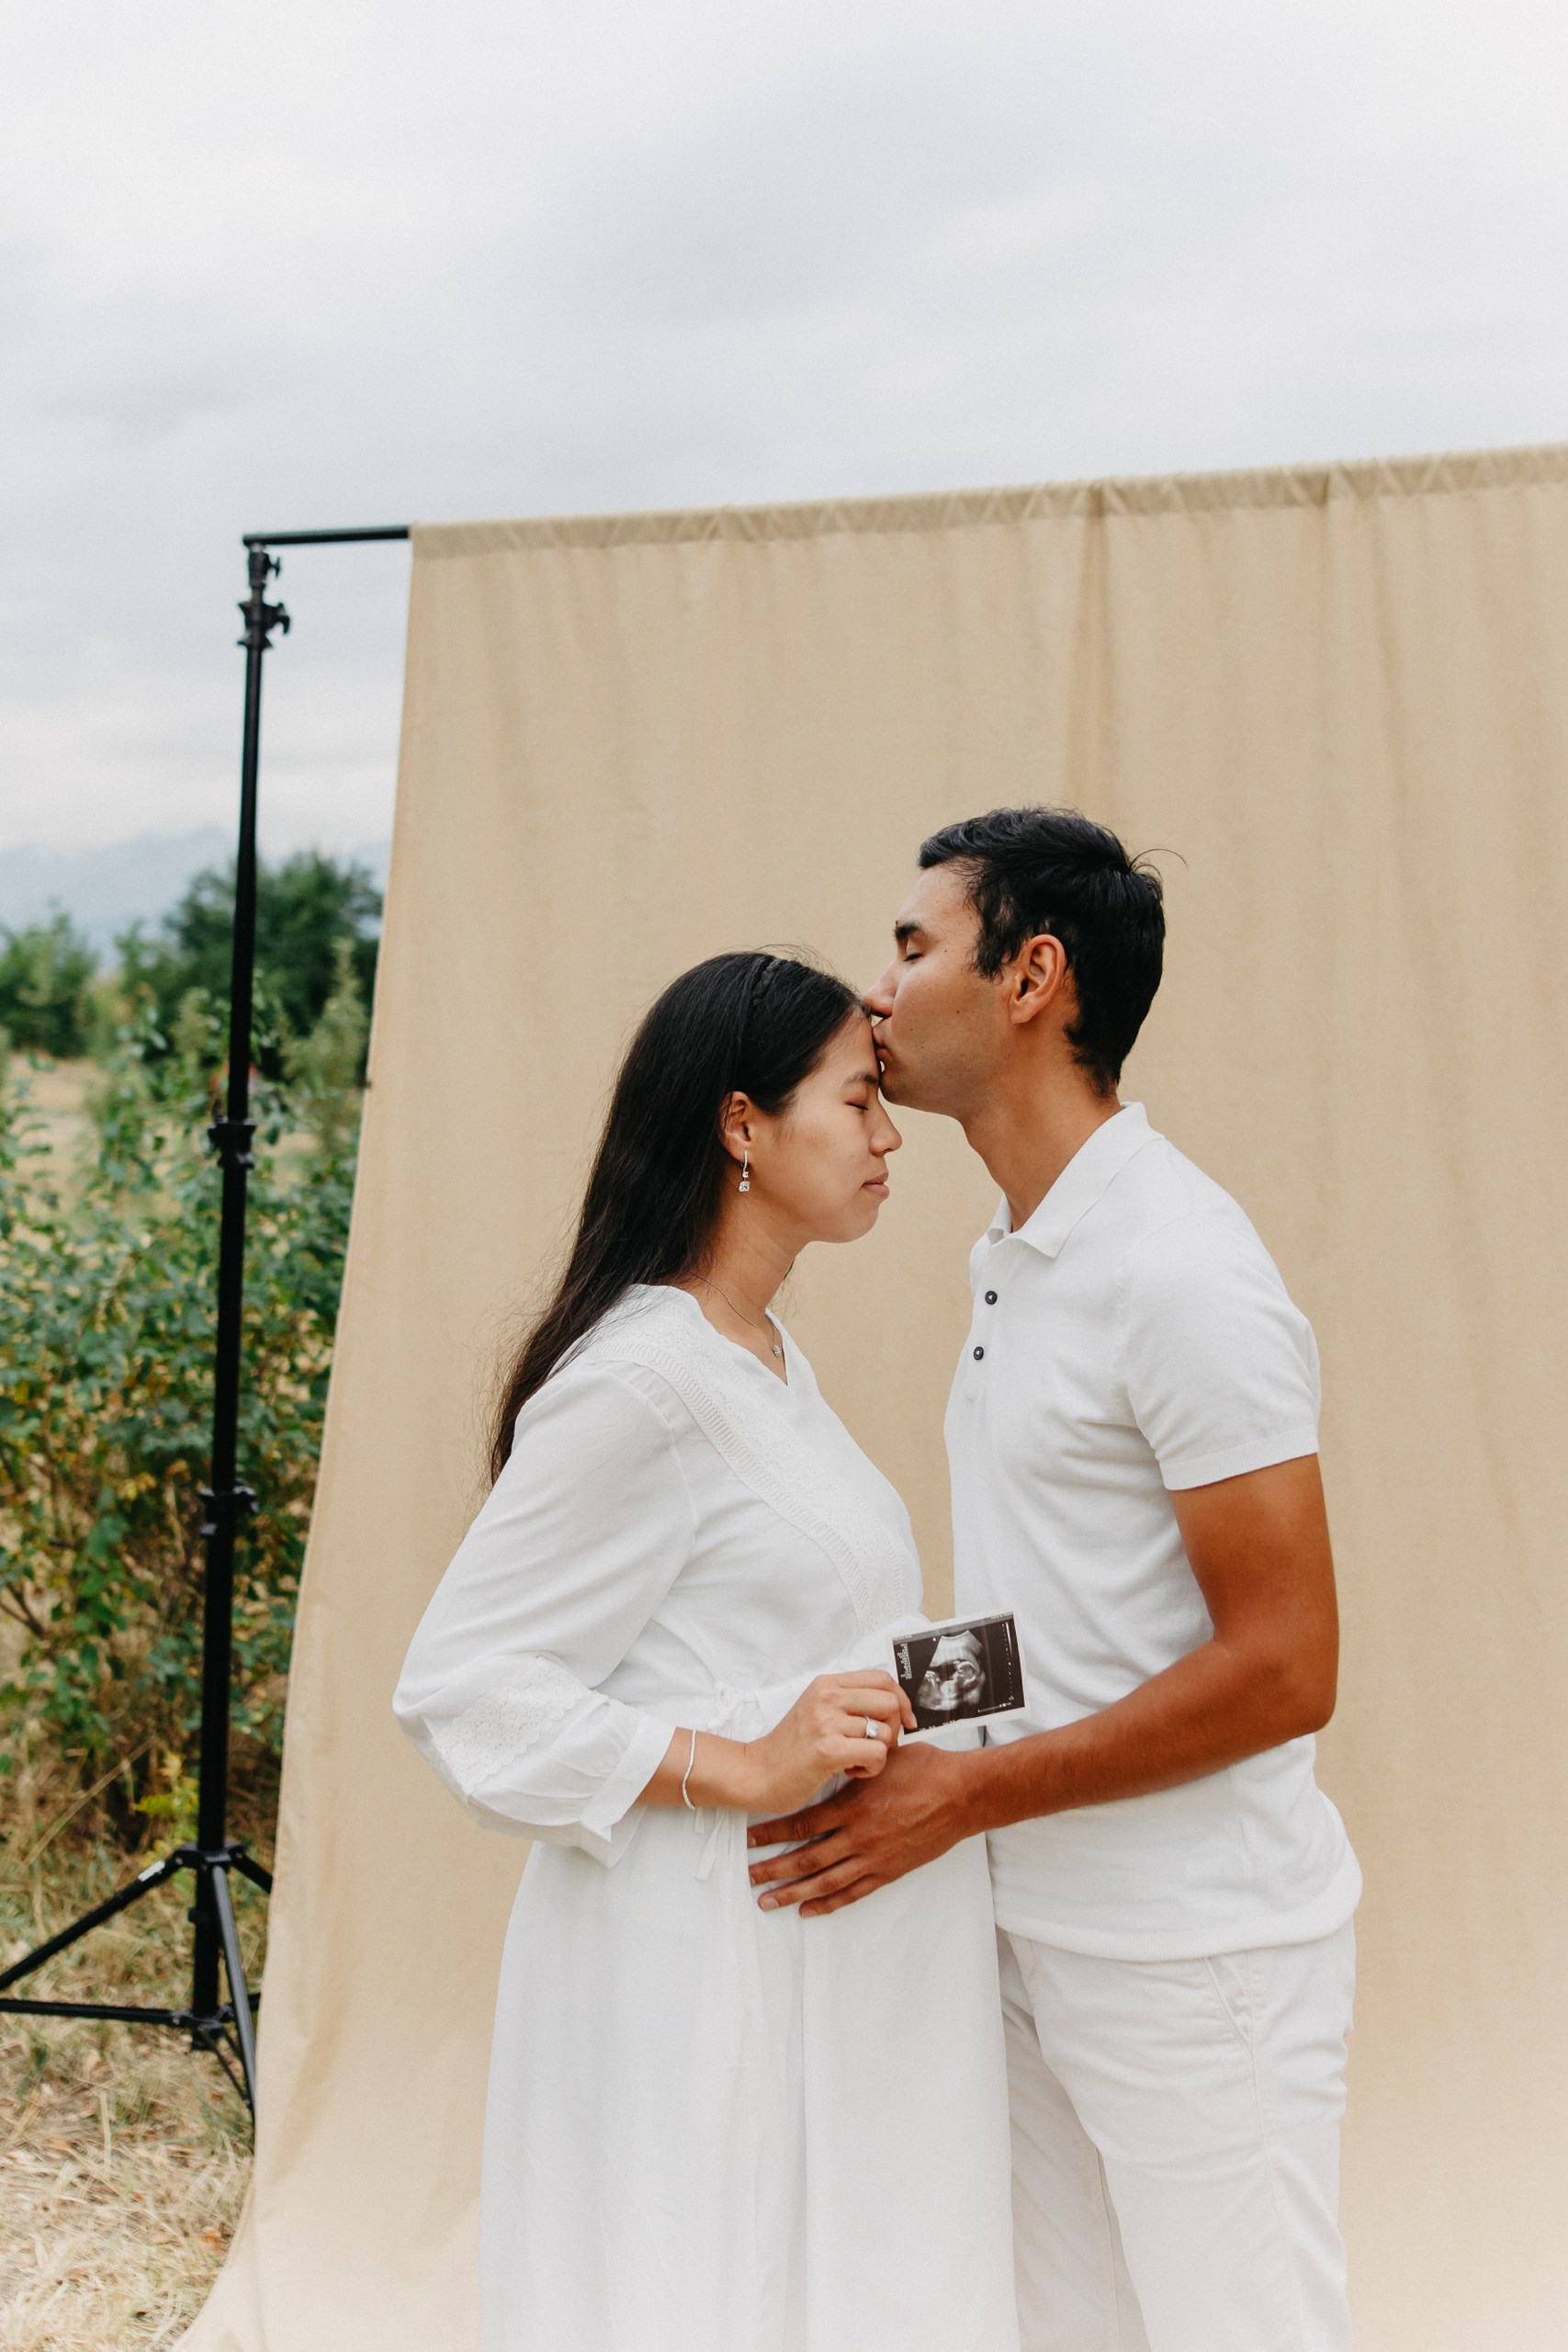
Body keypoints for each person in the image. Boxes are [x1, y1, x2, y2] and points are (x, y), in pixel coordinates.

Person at [747, 809, 1362, 2352]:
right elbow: (1062, 1613)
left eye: (912, 947)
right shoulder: (1013, 1254)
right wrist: (879, 1707)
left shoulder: (1181, 1270)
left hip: (1198, 1961)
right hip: (1029, 1936)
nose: (877, 989)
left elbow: (1288, 1666)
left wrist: (964, 1796)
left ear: (1031, 977)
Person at [393, 951, 1019, 2352]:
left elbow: (828, 1645)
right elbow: (461, 1686)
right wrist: (738, 1763)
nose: (889, 1135)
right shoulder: (643, 1382)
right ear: (743, 1124)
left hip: (816, 1968)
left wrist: (1054, 1660)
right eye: (856, 1100)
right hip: (697, 1973)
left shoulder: (762, 1355)